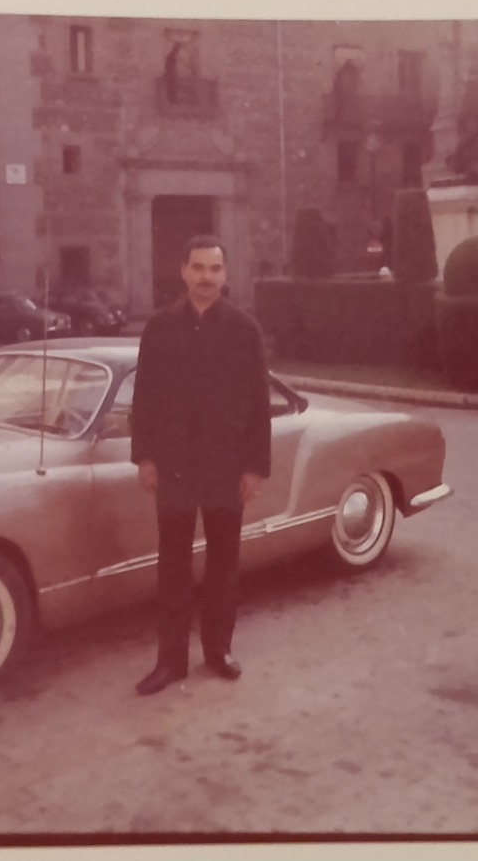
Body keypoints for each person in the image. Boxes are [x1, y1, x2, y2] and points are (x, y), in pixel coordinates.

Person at [129, 235, 272, 697]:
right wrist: (145, 457)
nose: (206, 278)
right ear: (184, 272)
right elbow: (144, 397)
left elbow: (257, 404)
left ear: (225, 275)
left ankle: (218, 651)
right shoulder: (159, 328)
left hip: (226, 469)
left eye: (215, 269)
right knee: (172, 568)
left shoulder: (244, 330)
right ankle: (170, 662)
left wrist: (253, 468)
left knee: (223, 566)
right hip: (173, 469)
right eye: (198, 268)